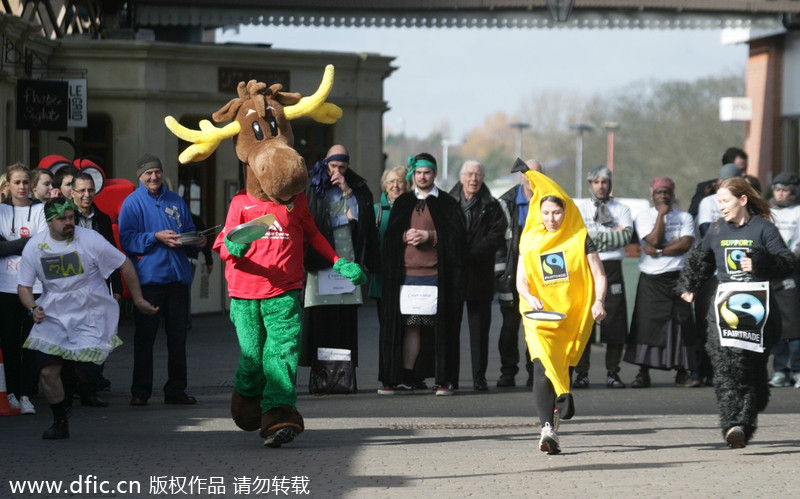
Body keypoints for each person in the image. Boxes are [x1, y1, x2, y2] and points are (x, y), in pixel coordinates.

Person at [17, 198, 158, 439]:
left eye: (71, 217)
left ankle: (74, 379)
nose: (69, 222)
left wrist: (138, 300)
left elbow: (124, 263)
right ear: (50, 221)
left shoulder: (90, 239)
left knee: (87, 372)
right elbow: (24, 286)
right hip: (53, 313)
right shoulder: (35, 246)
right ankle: (60, 421)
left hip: (90, 311)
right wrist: (32, 307)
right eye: (63, 219)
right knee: (48, 372)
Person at [678, 177, 794, 449]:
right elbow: (701, 260)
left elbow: (787, 263)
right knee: (726, 368)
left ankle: (748, 412)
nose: (721, 208)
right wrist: (689, 285)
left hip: (758, 311)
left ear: (742, 200)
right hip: (723, 309)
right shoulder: (716, 230)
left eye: (726, 201)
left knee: (750, 369)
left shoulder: (763, 228)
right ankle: (734, 425)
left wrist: (759, 262)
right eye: (718, 202)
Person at [516, 170, 607, 455]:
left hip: (570, 316)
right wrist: (530, 296)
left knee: (561, 366)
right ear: (539, 213)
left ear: (565, 212)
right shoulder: (529, 239)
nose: (551, 218)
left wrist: (599, 301)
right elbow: (520, 279)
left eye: (556, 212)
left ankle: (561, 402)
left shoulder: (579, 238)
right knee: (541, 365)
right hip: (537, 316)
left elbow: (599, 274)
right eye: (546, 213)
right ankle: (547, 429)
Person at [119, 153, 205, 406]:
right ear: (140, 177)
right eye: (148, 173)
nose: (154, 176)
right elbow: (126, 240)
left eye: (157, 171)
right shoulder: (132, 203)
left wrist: (197, 242)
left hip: (178, 280)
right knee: (145, 338)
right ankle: (140, 391)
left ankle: (176, 390)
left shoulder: (175, 200)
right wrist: (155, 237)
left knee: (178, 338)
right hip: (149, 282)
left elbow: (188, 232)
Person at [379, 153, 466, 395]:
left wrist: (430, 237)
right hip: (407, 276)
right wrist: (403, 236)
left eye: (427, 172)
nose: (422, 177)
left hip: (437, 276)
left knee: (440, 328)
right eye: (418, 173)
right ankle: (406, 377)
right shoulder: (404, 202)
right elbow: (390, 238)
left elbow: (458, 239)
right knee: (410, 326)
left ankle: (443, 379)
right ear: (413, 175)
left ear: (434, 174)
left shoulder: (447, 203)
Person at [299, 145, 376, 383]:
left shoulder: (355, 186)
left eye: (342, 167)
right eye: (333, 166)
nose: (337, 171)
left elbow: (361, 217)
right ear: (326, 162)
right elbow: (309, 220)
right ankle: (320, 375)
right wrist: (343, 219)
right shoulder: (312, 184)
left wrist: (346, 190)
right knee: (320, 318)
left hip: (346, 258)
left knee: (344, 320)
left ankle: (344, 376)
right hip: (320, 261)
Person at [624, 177, 697, 388]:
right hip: (651, 279)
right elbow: (653, 239)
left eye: (666, 192)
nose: (663, 196)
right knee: (646, 326)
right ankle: (643, 373)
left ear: (673, 195)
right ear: (652, 195)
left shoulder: (685, 217)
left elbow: (685, 244)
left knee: (680, 325)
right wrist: (661, 217)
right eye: (659, 192)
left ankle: (683, 372)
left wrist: (659, 252)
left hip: (677, 276)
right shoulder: (644, 216)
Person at [449, 160, 506, 392]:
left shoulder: (492, 205)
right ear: (462, 177)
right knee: (451, 330)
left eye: (478, 174)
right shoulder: (448, 202)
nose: (474, 179)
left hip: (480, 274)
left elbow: (496, 237)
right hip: (454, 274)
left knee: (480, 330)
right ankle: (449, 378)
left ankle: (479, 377)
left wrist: (470, 255)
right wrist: (458, 255)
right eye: (470, 174)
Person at [574, 165, 632, 389]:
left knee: (615, 323)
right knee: (585, 321)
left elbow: (625, 237)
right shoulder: (580, 209)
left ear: (610, 185)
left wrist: (593, 237)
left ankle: (613, 373)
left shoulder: (622, 209)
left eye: (604, 182)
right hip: (587, 268)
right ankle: (582, 373)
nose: (600, 186)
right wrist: (608, 235)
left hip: (613, 267)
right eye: (596, 182)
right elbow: (578, 239)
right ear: (590, 184)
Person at [68, 171, 122, 400]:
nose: (87, 195)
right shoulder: (66, 217)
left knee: (100, 338)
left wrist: (117, 288)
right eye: (81, 191)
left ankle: (90, 387)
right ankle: (76, 387)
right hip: (70, 289)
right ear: (72, 193)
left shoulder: (101, 219)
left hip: (98, 288)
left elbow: (112, 253)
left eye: (90, 190)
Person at [0, 164, 47, 416]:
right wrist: (23, 243)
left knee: (31, 343)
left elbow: (40, 245)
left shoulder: (40, 210)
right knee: (9, 342)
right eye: (16, 182)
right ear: (7, 185)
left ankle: (27, 393)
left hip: (33, 286)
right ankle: (12, 392)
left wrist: (11, 244)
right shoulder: (0, 211)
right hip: (5, 286)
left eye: (25, 182)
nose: (21, 187)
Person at [368, 166, 417, 395]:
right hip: (382, 280)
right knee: (387, 329)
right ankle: (389, 375)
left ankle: (407, 376)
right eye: (391, 182)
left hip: (408, 278)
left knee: (409, 327)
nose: (395, 185)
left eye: (399, 182)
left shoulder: (413, 209)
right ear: (384, 185)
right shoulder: (377, 211)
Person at [495, 158, 540, 388]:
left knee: (537, 328)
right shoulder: (505, 203)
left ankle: (536, 373)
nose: (531, 176)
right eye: (527, 172)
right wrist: (501, 274)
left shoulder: (550, 200)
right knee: (510, 327)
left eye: (536, 172)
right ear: (520, 176)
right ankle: (508, 372)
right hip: (512, 277)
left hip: (541, 278)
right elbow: (498, 244)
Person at [766, 172, 800, 388]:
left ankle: (797, 369)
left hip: (792, 273)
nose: (779, 193)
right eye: (777, 189)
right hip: (771, 273)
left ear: (793, 192)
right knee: (775, 324)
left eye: (784, 189)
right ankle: (780, 370)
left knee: (794, 324)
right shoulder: (767, 212)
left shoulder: (798, 212)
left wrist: (788, 259)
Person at [688, 147, 747, 219]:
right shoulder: (704, 188)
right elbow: (692, 215)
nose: (744, 174)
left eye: (745, 169)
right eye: (741, 170)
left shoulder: (748, 189)